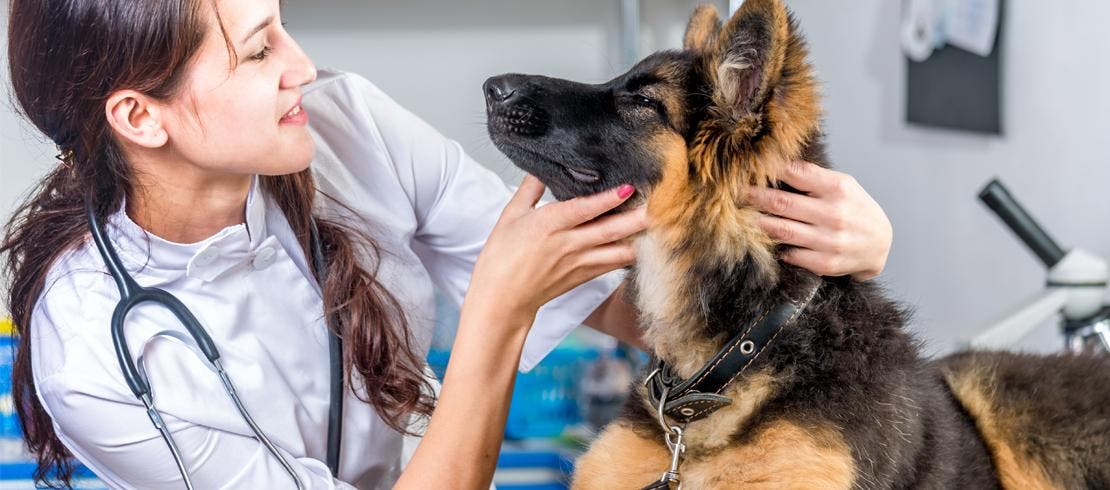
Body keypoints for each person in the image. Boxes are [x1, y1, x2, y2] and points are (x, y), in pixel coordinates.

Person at [0, 0, 892, 488]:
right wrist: (497, 317)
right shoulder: (97, 355)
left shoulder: (343, 124)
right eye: (257, 50)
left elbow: (638, 296)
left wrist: (820, 257)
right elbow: (517, 288)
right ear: (137, 116)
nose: (302, 66)